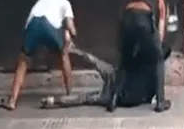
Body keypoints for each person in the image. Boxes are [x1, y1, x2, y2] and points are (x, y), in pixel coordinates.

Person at [40, 43, 171, 109]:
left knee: (95, 61)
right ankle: (52, 101)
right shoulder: (157, 73)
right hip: (122, 98)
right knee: (83, 99)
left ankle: (74, 49)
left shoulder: (143, 57)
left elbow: (126, 65)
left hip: (116, 79)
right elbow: (150, 97)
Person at [4, 0, 76, 110]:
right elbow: (70, 27)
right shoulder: (66, 3)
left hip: (32, 25)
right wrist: (71, 38)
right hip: (48, 25)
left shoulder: (44, 0)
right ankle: (70, 93)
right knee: (64, 54)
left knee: (23, 61)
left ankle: (12, 100)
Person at [106, 0, 171, 112]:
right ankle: (160, 102)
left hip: (126, 18)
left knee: (124, 62)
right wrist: (157, 48)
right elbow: (160, 34)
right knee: (158, 60)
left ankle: (113, 99)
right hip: (144, 18)